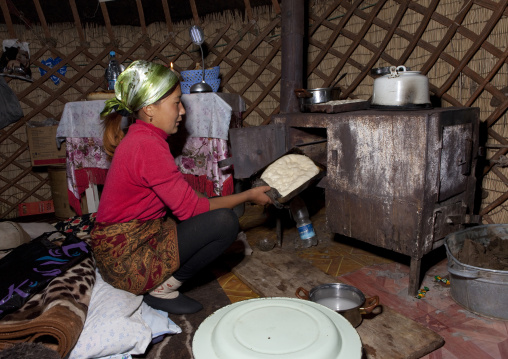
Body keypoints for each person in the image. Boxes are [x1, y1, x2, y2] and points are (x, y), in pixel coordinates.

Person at [90, 60, 272, 315]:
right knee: (225, 222)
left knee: (196, 217)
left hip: (122, 246)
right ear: (151, 109)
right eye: (176, 102)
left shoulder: (143, 137)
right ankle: (162, 289)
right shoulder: (147, 146)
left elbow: (186, 197)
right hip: (126, 261)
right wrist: (250, 196)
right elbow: (195, 209)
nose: (182, 111)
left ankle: (160, 283)